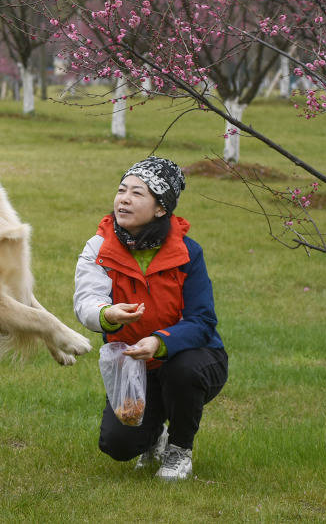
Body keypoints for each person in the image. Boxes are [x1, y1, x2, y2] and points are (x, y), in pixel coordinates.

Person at [73, 157, 227, 481]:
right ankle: (152, 437)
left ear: (160, 208)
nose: (123, 199)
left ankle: (179, 450)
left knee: (182, 371)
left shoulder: (187, 251)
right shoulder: (99, 246)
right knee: (117, 444)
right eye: (121, 190)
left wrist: (160, 342)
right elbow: (87, 300)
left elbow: (202, 321)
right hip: (133, 365)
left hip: (191, 361)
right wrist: (107, 314)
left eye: (137, 193)